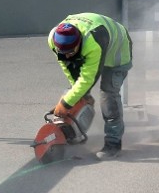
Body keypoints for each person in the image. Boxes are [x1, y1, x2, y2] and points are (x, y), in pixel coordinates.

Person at [48, 13, 132, 160]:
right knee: (76, 93)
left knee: (108, 94)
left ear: (79, 43)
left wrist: (66, 103)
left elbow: (88, 79)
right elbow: (67, 66)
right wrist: (78, 96)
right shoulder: (53, 39)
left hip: (117, 51)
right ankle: (73, 132)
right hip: (92, 46)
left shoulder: (93, 43)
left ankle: (113, 144)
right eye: (63, 53)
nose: (66, 56)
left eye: (70, 52)